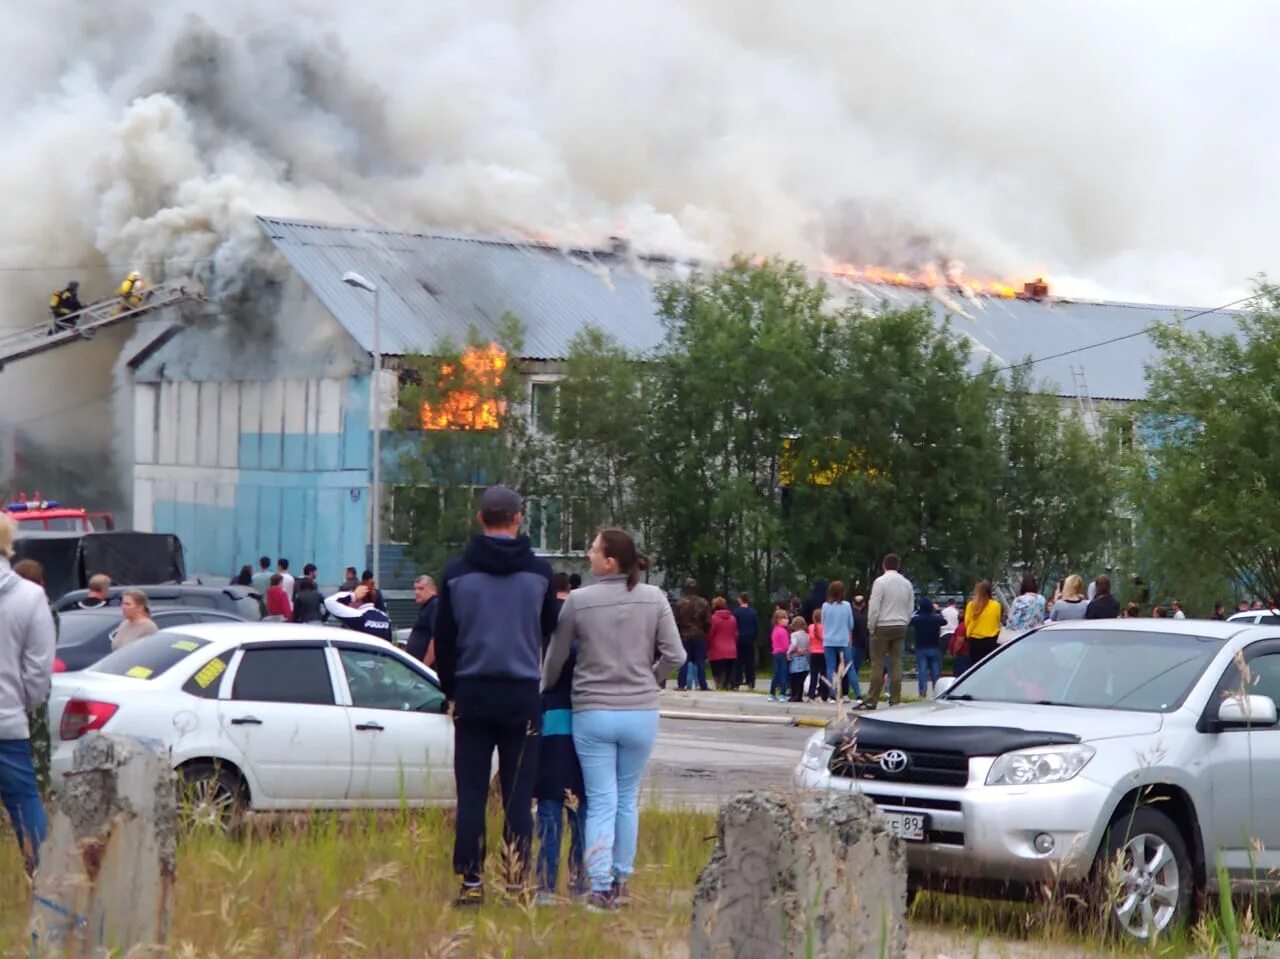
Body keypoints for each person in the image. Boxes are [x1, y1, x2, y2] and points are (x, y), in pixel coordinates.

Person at [542, 528, 685, 911]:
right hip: (640, 712)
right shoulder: (654, 598)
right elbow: (677, 655)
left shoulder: (579, 601)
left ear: (609, 562)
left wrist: (547, 686)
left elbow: (555, 658)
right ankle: (622, 882)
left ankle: (600, 886)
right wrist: (650, 678)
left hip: (594, 711)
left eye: (593, 549)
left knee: (602, 801)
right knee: (626, 800)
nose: (588, 554)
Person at [435, 486, 558, 907]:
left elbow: (445, 639)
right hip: (522, 693)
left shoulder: (454, 574)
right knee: (519, 794)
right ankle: (516, 881)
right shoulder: (541, 574)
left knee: (470, 792)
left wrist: (450, 691)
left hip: (471, 691)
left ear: (480, 518)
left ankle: (471, 882)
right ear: (519, 518)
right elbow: (549, 628)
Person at [0, 515, 55, 875]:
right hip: (7, 723)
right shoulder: (31, 597)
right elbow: (38, 673)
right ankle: (49, 892)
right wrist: (22, 707)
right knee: (25, 806)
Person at [534, 572, 585, 905]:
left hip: (549, 719)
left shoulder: (540, 628)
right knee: (582, 806)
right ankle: (580, 882)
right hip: (584, 720)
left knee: (550, 805)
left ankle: (545, 885)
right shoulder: (584, 628)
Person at [12, 559, 54, 799]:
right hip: (29, 689)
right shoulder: (42, 607)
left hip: (14, 690)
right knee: (35, 751)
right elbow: (41, 661)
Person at [864, 554, 915, 709]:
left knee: (877, 663)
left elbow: (874, 606)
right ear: (898, 566)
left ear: (884, 566)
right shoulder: (907, 584)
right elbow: (910, 606)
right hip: (900, 625)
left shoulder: (880, 582)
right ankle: (895, 699)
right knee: (896, 662)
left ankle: (872, 699)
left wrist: (871, 626)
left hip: (882, 624)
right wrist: (905, 621)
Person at [674, 579, 710, 692]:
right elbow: (708, 622)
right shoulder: (703, 603)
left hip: (684, 635)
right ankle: (702, 684)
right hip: (699, 635)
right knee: (700, 661)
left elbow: (676, 621)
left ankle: (681, 684)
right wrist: (704, 630)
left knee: (683, 660)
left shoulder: (680, 603)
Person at [821, 582, 856, 701]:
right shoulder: (846, 605)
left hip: (829, 640)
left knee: (831, 668)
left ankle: (832, 694)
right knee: (849, 667)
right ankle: (857, 694)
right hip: (843, 640)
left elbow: (823, 622)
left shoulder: (825, 606)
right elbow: (851, 624)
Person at [324, 583, 392, 640]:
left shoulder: (357, 616)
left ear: (359, 599)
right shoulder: (385, 618)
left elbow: (329, 602)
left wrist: (353, 596)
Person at [909, 598, 946, 698]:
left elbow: (910, 620)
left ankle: (922, 692)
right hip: (935, 647)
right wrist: (938, 610)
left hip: (921, 648)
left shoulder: (917, 619)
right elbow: (944, 621)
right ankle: (937, 692)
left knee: (922, 671)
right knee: (936, 672)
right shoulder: (936, 618)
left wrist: (917, 610)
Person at [963, 580, 1002, 665]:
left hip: (974, 640)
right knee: (989, 665)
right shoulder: (996, 605)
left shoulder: (971, 605)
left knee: (975, 666)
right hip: (991, 639)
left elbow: (966, 622)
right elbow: (997, 620)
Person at [405, 574, 439, 665]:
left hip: (427, 671)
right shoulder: (426, 607)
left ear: (432, 589)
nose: (417, 592)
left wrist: (424, 667)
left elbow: (437, 639)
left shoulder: (434, 605)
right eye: (415, 589)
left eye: (421, 589)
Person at [706, 597, 738, 690]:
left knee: (718, 673)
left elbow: (710, 635)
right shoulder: (733, 619)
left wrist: (707, 646)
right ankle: (727, 685)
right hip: (731, 650)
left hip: (716, 651)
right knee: (728, 673)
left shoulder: (713, 619)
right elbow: (735, 634)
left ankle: (719, 686)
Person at [730, 593, 759, 690]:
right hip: (750, 639)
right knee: (749, 662)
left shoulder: (736, 612)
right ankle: (750, 681)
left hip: (739, 640)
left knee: (738, 662)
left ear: (740, 600)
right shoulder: (753, 612)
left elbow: (734, 626)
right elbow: (756, 627)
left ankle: (737, 681)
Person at [768, 609, 790, 702]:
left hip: (775, 653)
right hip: (783, 654)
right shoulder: (783, 631)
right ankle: (782, 693)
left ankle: (772, 693)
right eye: (785, 618)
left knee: (776, 673)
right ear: (779, 620)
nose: (787, 620)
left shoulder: (774, 630)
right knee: (783, 674)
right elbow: (786, 645)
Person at [786, 616, 809, 703]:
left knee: (794, 679)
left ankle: (794, 695)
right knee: (801, 679)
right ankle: (799, 695)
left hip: (796, 658)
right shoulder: (807, 635)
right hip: (804, 658)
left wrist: (788, 652)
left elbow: (794, 644)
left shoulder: (794, 635)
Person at [806, 608, 828, 702]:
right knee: (824, 675)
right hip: (823, 653)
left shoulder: (811, 627)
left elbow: (809, 640)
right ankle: (824, 694)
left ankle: (811, 694)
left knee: (814, 675)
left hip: (814, 653)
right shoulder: (825, 627)